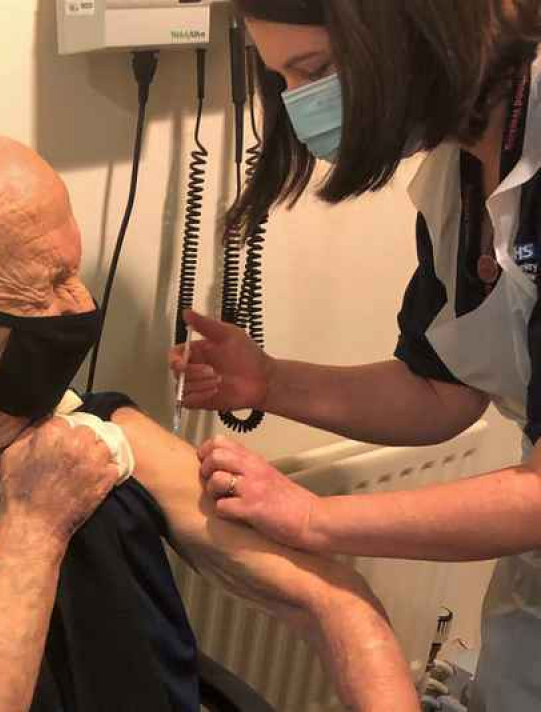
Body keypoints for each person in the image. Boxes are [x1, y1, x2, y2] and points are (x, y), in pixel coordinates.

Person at [0, 126, 418, 711]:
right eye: (43, 286)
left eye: (74, 271)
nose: (81, 304)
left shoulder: (103, 435)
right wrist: (33, 523)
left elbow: (334, 603)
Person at [169, 1, 541, 710]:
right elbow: (442, 393)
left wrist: (315, 520)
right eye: (282, 79)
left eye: (315, 71)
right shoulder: (455, 181)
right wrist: (271, 381)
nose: (300, 104)